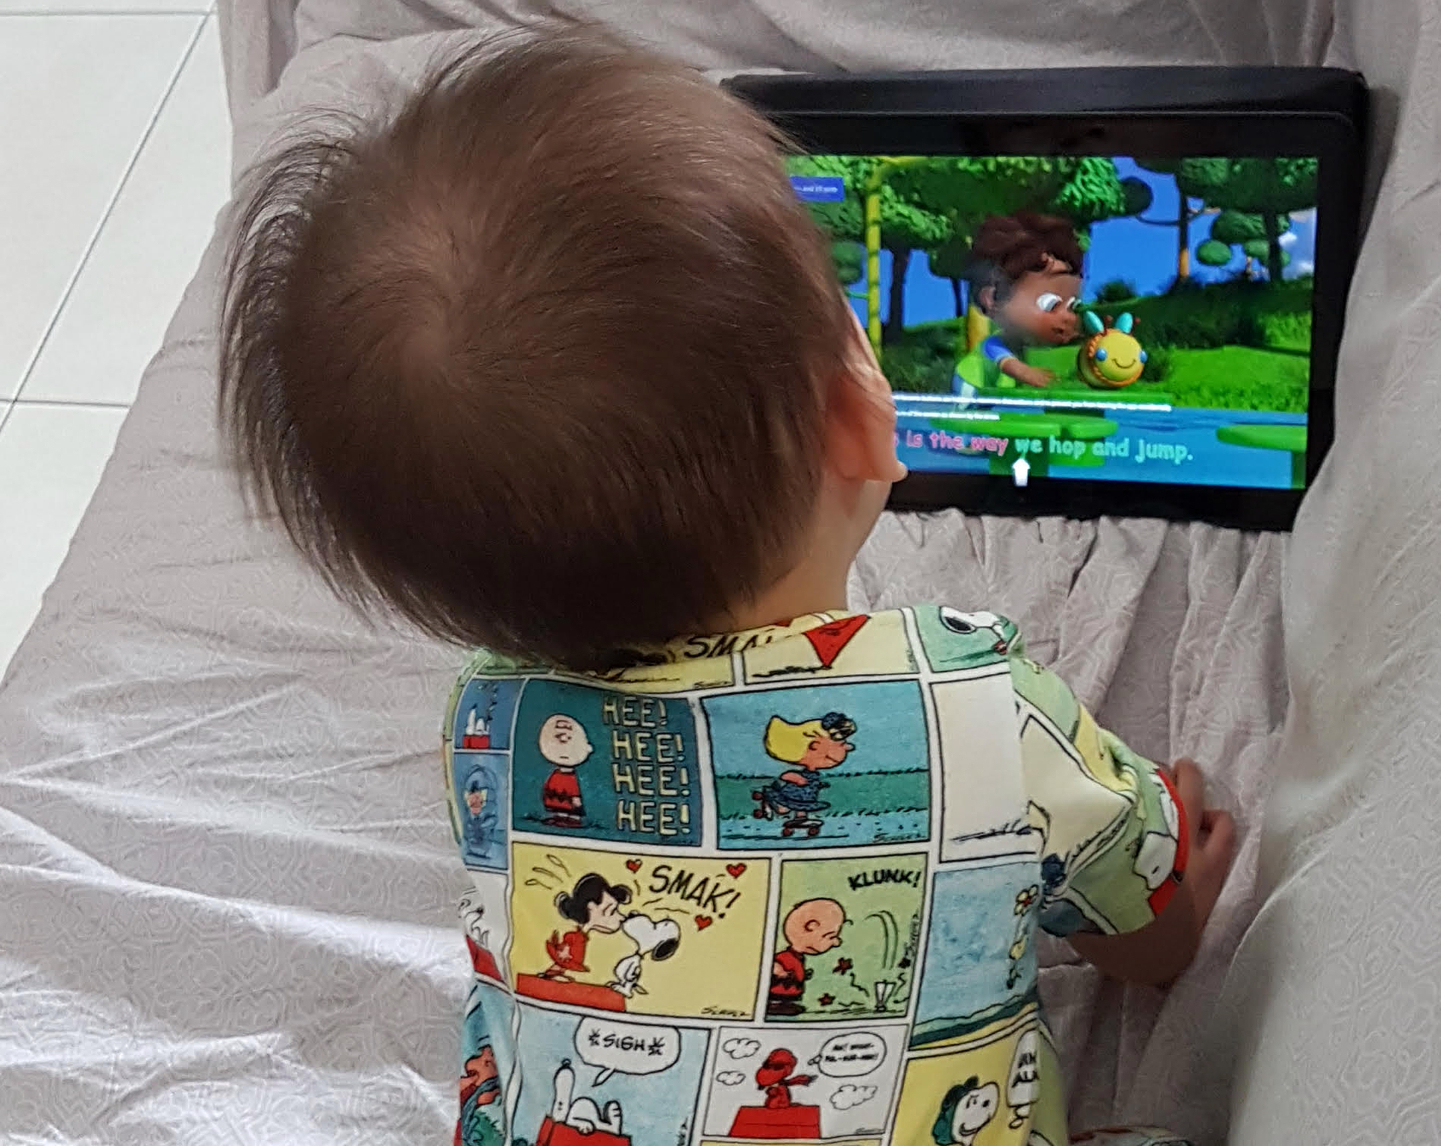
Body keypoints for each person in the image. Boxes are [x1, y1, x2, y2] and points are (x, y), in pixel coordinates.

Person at [218, 24, 1234, 1146]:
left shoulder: (490, 732)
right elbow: (1151, 947)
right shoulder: (980, 702)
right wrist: (1168, 877)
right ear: (859, 419)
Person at [952, 212, 1086, 394]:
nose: (1068, 317)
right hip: (972, 386)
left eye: (1072, 307)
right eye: (1050, 305)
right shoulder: (996, 343)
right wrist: (1026, 373)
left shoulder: (1031, 347)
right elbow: (1009, 365)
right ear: (991, 299)